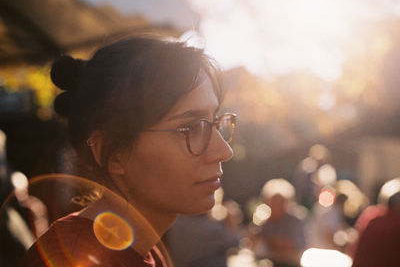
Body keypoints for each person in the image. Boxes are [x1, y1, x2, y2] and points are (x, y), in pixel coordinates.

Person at [19, 37, 236, 266]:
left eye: (215, 123)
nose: (224, 151)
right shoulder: (72, 257)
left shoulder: (146, 252)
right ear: (114, 154)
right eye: (191, 128)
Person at [256, 178, 307, 267]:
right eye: (273, 203)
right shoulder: (266, 221)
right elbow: (258, 243)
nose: (275, 206)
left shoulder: (296, 220)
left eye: (279, 202)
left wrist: (274, 242)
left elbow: (298, 245)